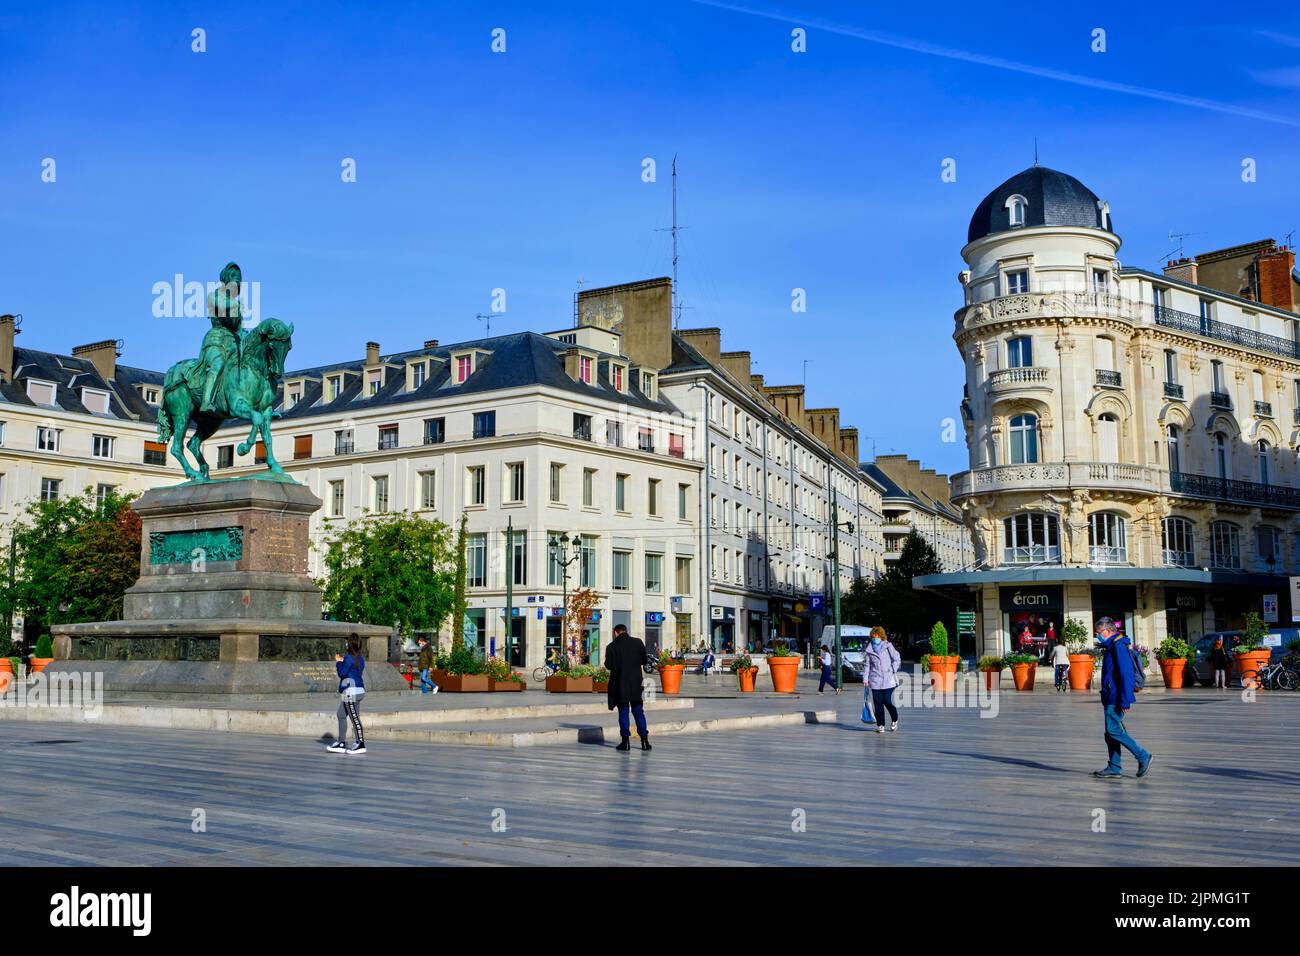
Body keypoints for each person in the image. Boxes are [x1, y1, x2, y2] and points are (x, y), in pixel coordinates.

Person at [1092, 617, 1152, 778]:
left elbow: (1127, 675)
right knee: (1110, 732)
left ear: (1108, 631)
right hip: (1111, 695)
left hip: (1116, 696)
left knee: (1113, 730)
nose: (1098, 636)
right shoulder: (1112, 646)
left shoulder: (1118, 647)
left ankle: (1142, 755)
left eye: (1099, 633)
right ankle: (1114, 766)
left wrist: (1125, 699)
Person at [605, 623, 651, 752]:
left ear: (615, 632)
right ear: (626, 631)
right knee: (638, 712)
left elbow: (608, 665)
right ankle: (645, 741)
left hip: (620, 685)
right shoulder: (638, 642)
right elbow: (644, 661)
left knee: (623, 712)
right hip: (636, 684)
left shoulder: (611, 647)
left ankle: (625, 742)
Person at [328, 634, 367, 755]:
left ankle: (360, 744)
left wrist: (339, 662)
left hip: (351, 692)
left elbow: (342, 673)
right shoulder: (359, 658)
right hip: (356, 690)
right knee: (341, 714)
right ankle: (341, 742)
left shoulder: (349, 658)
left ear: (349, 644)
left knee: (354, 718)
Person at [862, 626, 901, 733]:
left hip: (888, 680)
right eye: (874, 636)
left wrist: (893, 669)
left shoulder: (888, 646)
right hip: (875, 680)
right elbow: (867, 666)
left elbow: (896, 658)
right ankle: (880, 725)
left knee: (887, 701)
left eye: (877, 636)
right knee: (878, 703)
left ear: (881, 636)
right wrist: (865, 678)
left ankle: (894, 719)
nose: (875, 638)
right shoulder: (869, 650)